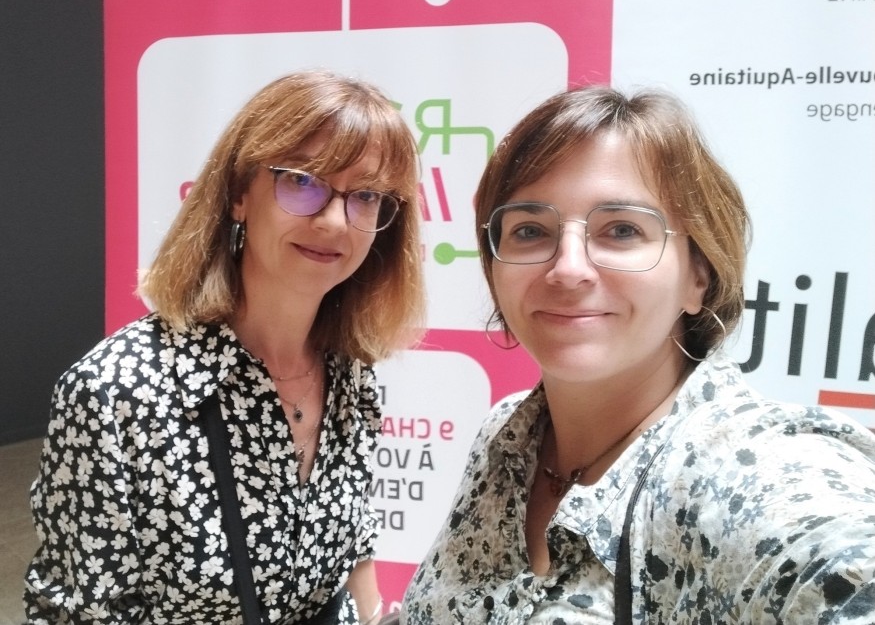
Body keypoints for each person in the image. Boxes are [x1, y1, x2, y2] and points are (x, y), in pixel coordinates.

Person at [402, 85, 875, 623]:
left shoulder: (750, 476)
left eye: (622, 230)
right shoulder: (507, 436)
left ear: (698, 276)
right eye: (530, 231)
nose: (568, 269)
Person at [24, 70, 425, 624]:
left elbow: (354, 540)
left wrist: (373, 614)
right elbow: (76, 614)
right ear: (239, 194)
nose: (335, 220)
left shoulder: (351, 374)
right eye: (302, 181)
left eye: (365, 195)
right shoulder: (115, 394)